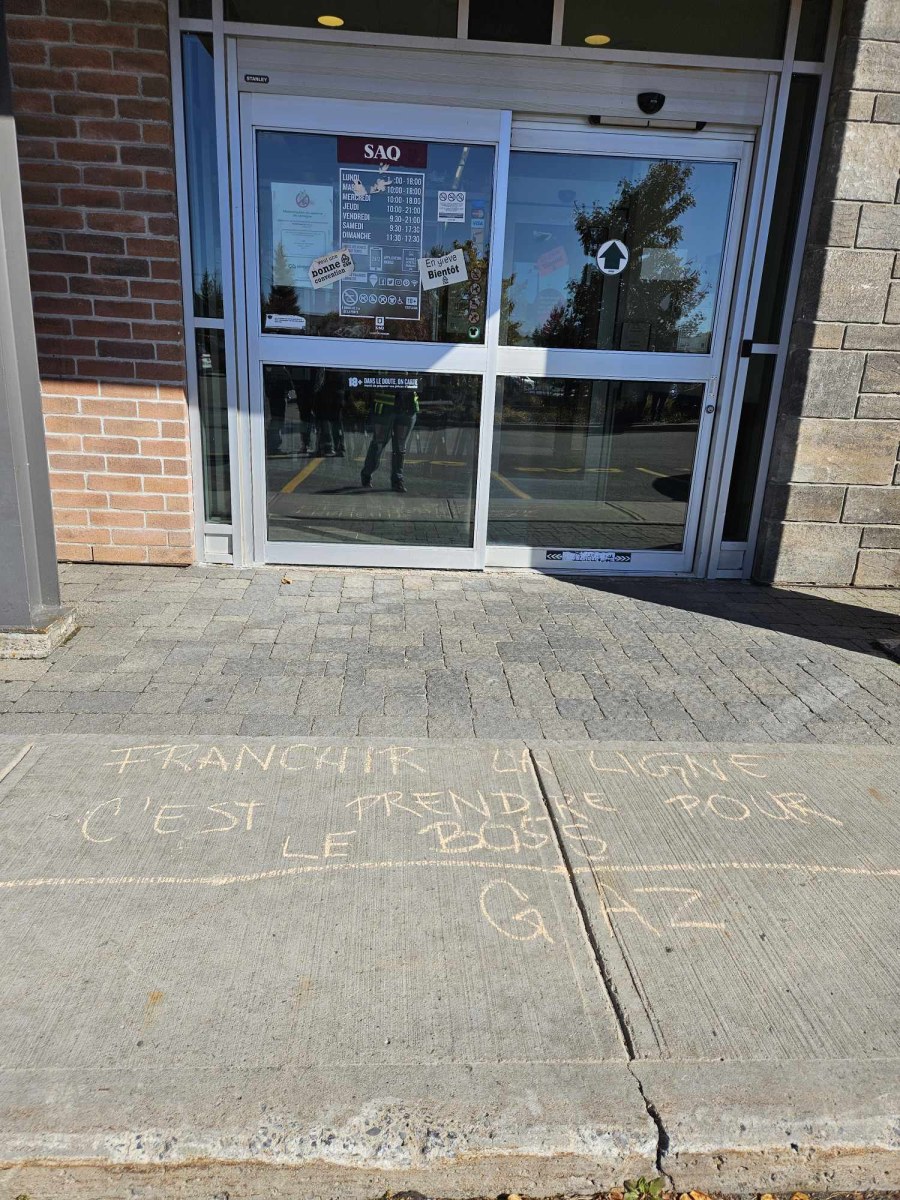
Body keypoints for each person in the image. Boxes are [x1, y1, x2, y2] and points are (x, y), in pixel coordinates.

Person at [360, 383, 419, 493]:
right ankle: (367, 474)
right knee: (379, 443)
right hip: (386, 406)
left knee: (399, 446)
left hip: (407, 405)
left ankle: (397, 480)